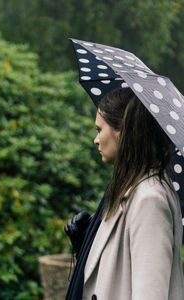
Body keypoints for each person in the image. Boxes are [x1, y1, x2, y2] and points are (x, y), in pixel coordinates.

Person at [65, 87, 184, 300]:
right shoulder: (129, 187)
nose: (96, 139)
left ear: (121, 131)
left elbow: (150, 294)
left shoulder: (149, 199)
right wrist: (86, 242)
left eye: (99, 130)